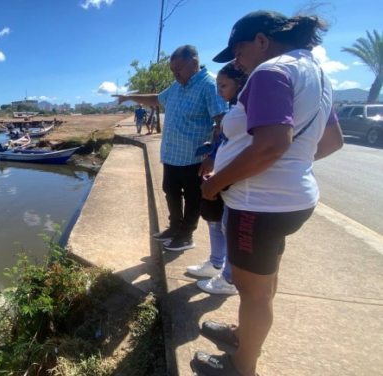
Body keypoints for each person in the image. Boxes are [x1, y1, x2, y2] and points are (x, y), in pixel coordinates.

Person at [190, 11, 344, 376]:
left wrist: (214, 184)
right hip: (291, 200)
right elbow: (332, 142)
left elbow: (270, 146)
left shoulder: (270, 72)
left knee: (253, 292)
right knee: (265, 281)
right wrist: (290, 168)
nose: (236, 61)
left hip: (258, 205)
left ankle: (241, 366)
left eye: (238, 51)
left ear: (262, 40)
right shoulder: (317, 75)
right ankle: (243, 334)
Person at [115, 45, 227, 252]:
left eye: (179, 68)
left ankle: (186, 235)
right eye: (172, 70)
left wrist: (212, 156)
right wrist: (130, 96)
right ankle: (174, 227)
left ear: (194, 62)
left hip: (193, 158)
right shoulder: (177, 86)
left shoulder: (209, 85)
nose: (176, 74)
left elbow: (221, 122)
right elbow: (156, 100)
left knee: (193, 197)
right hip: (172, 155)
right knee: (171, 192)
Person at [187, 62, 248, 296]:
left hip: (236, 181)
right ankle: (215, 263)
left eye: (223, 85)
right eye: (218, 85)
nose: (219, 90)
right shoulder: (236, 107)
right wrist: (212, 156)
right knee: (215, 221)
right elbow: (225, 140)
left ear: (240, 83)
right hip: (221, 176)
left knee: (228, 227)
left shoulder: (248, 107)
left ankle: (229, 279)